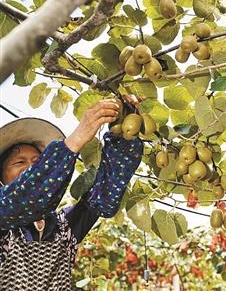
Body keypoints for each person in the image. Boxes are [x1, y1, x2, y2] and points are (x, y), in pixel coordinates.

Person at [0, 99, 143, 289]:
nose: (30, 168)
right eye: (19, 162)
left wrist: (124, 133)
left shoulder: (62, 228)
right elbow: (24, 199)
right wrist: (76, 139)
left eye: (37, 161)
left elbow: (102, 198)